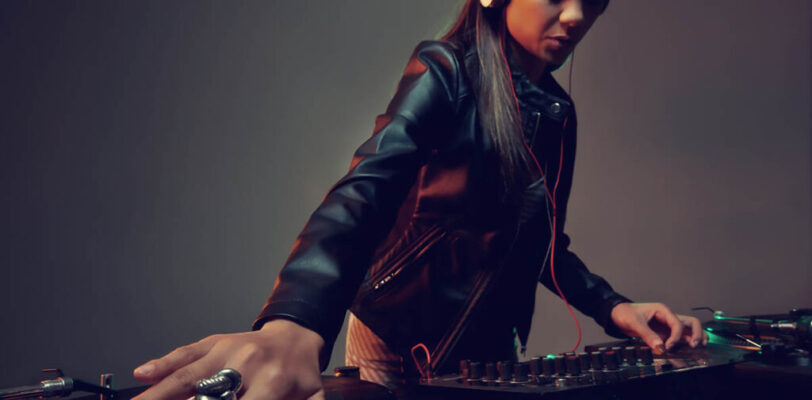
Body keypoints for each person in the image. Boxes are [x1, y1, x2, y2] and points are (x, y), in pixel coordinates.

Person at [132, 1, 708, 399]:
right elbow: (366, 189)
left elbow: (543, 242)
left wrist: (614, 307)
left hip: (488, 354)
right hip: (395, 338)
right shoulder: (446, 68)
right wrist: (295, 321)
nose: (577, 15)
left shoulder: (558, 113)